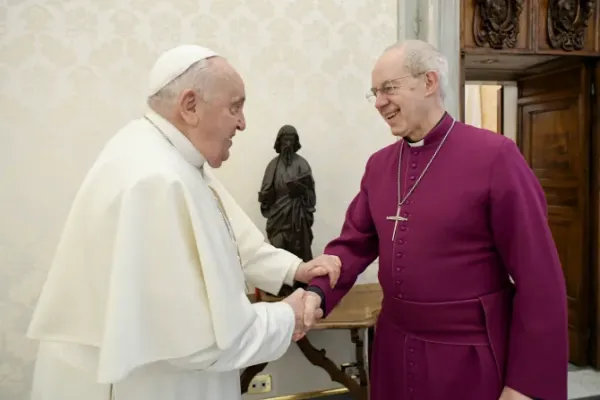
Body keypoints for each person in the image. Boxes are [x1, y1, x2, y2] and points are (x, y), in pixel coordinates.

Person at [26, 44, 340, 400]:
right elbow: (196, 340)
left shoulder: (170, 155)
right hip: (146, 386)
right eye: (234, 107)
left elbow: (227, 236)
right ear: (190, 106)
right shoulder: (155, 180)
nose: (242, 123)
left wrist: (293, 269)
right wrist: (287, 316)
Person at [303, 40, 568, 400]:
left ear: (428, 82)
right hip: (394, 349)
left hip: (467, 357)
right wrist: (317, 293)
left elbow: (540, 279)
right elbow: (353, 244)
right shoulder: (380, 165)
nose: (379, 102)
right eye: (375, 93)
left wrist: (524, 384)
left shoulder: (495, 157)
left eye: (389, 89)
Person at [258, 124, 316, 295]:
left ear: (295, 142)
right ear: (279, 142)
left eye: (291, 140)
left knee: (299, 248)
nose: (288, 144)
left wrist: (302, 190)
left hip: (297, 214)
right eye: (285, 140)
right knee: (278, 247)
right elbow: (267, 190)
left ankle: (301, 283)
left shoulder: (302, 164)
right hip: (278, 215)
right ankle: (281, 284)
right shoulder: (273, 166)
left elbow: (310, 191)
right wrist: (265, 198)